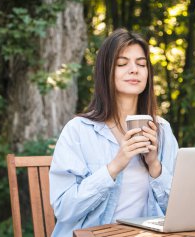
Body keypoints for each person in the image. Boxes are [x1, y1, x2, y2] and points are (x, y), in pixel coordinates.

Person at [49, 28, 179, 236]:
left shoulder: (161, 130)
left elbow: (179, 210)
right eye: (122, 64)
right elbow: (64, 209)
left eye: (141, 64)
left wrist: (155, 165)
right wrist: (115, 166)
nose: (134, 70)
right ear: (106, 72)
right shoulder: (79, 131)